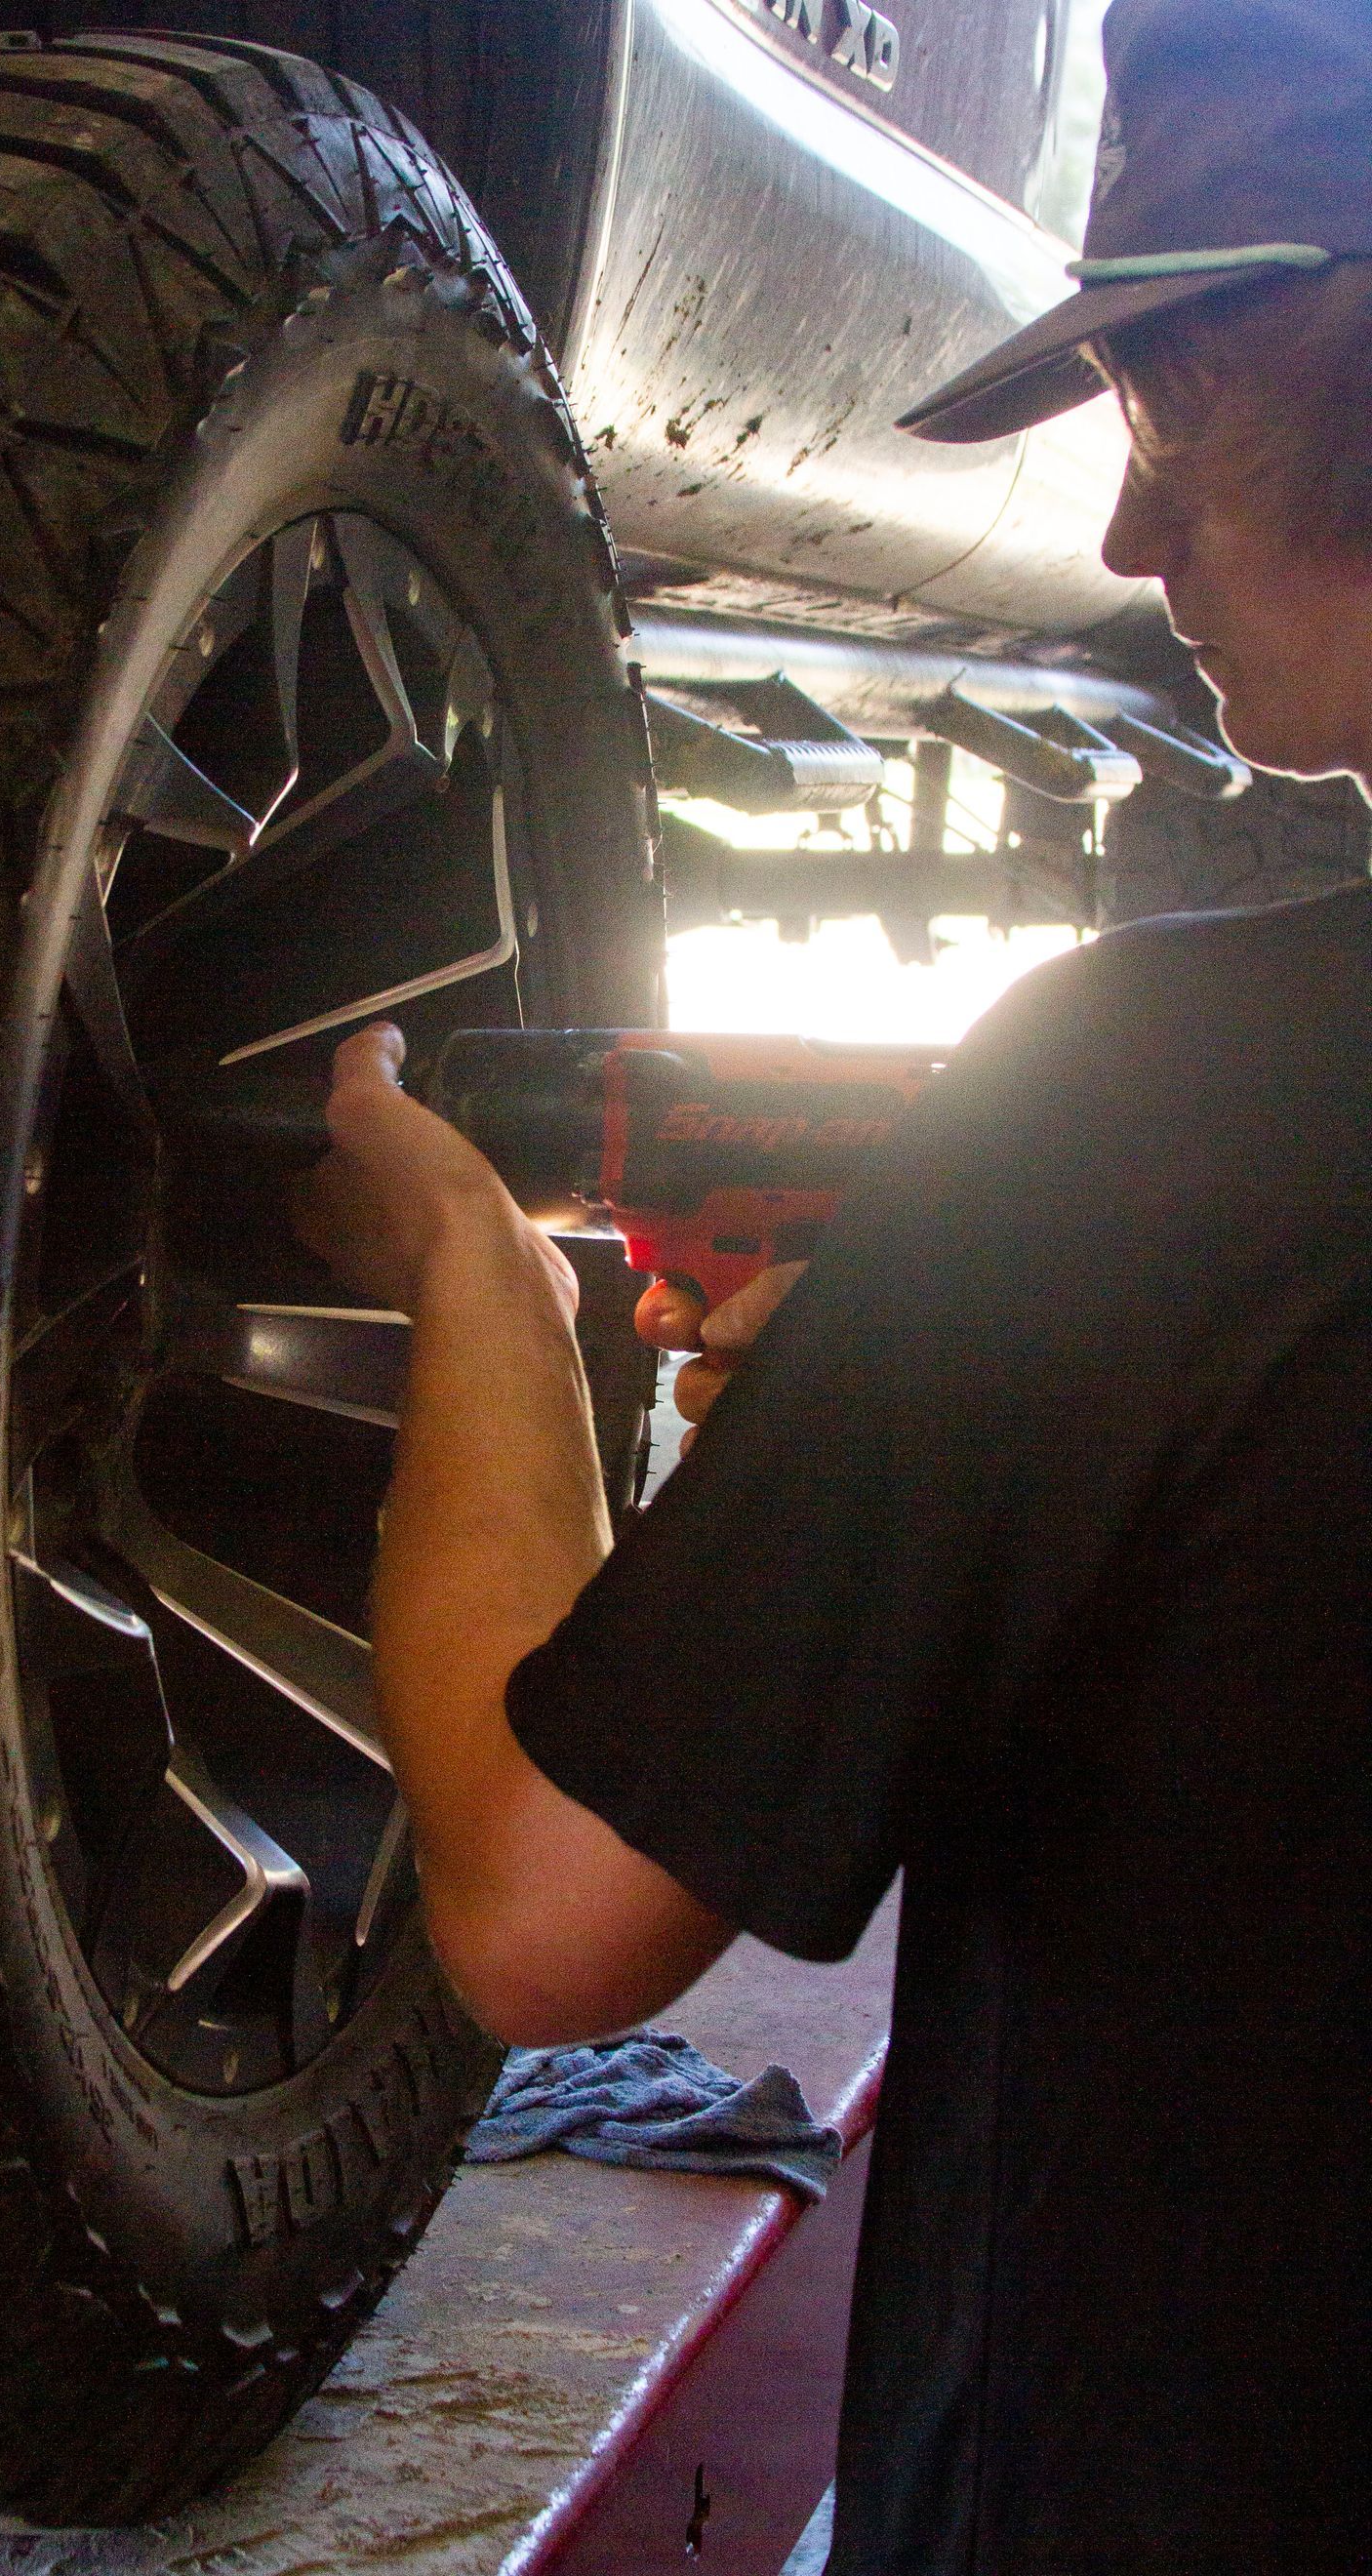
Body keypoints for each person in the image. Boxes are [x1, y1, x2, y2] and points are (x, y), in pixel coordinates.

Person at [293, 2, 1369, 2567]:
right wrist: (968, 1412)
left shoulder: (1156, 1101)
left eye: (1170, 409)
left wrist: (475, 1279)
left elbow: (553, 1922)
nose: (1131, 544)